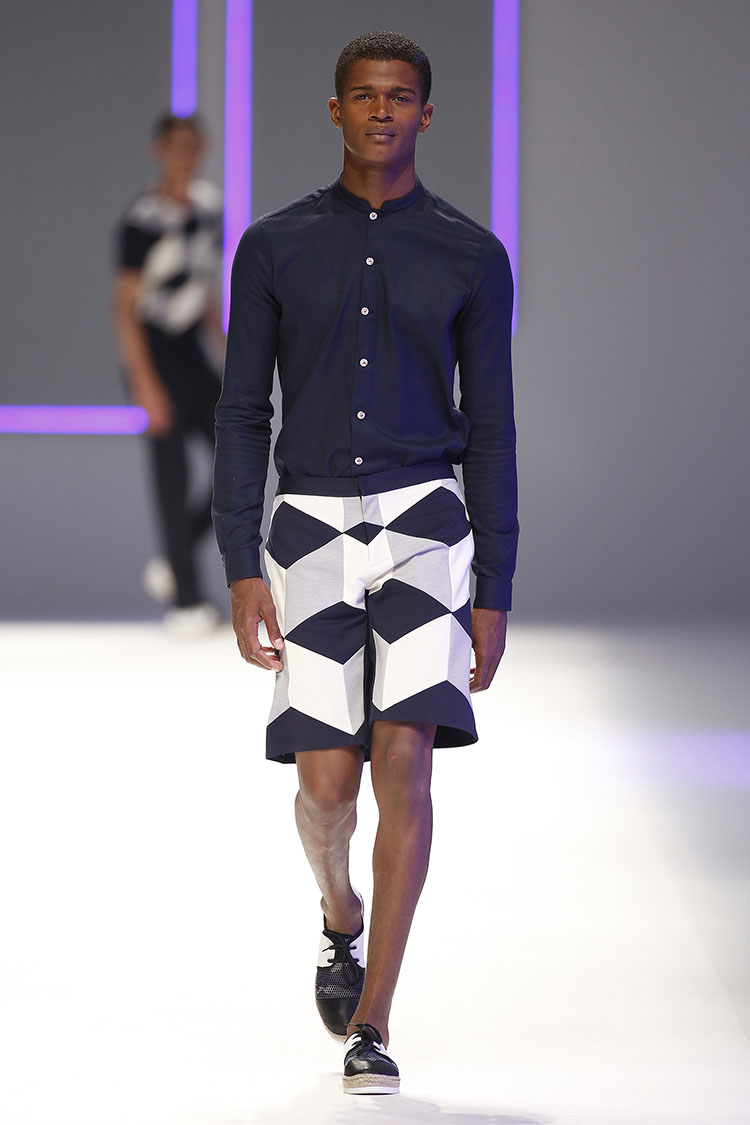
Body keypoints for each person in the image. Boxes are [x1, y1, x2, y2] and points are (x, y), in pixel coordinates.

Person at [213, 30, 518, 1094]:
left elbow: (492, 430)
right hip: (307, 527)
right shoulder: (273, 246)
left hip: (427, 523)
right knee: (327, 783)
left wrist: (497, 587)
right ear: (334, 110)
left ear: (426, 114)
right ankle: (338, 907)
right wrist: (240, 559)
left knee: (406, 764)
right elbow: (242, 410)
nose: (382, 110)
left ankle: (374, 1019)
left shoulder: (472, 255)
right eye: (364, 95)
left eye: (399, 96)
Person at [112, 112, 225, 636]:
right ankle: (186, 601)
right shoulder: (142, 218)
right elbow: (125, 307)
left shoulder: (208, 208)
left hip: (192, 351)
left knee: (235, 457)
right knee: (172, 472)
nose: (184, 154)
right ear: (159, 149)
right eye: (175, 144)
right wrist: (143, 381)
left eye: (192, 144)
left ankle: (175, 558)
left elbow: (206, 290)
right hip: (153, 352)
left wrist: (233, 354)